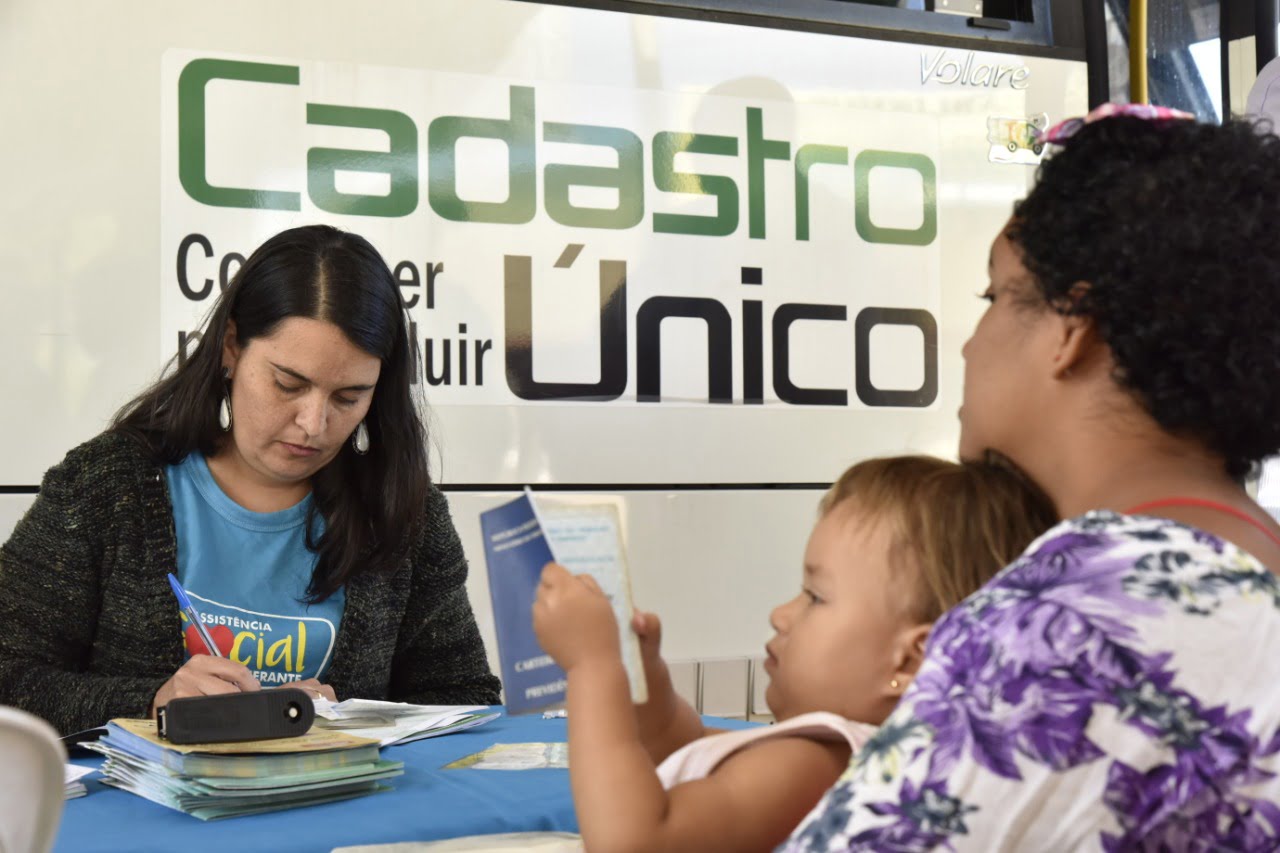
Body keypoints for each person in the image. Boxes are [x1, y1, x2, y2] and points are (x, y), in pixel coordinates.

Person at [781, 106, 1280, 850]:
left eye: (991, 296)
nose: (970, 344)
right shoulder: (1248, 568)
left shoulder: (1070, 623)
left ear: (1071, 328)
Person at [0, 224, 500, 735]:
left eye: (348, 397)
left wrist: (339, 720)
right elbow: (9, 675)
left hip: (334, 812)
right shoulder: (106, 486)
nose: (314, 423)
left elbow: (464, 699)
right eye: (288, 383)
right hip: (147, 813)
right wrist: (153, 702)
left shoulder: (402, 512)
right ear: (232, 346)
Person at [532, 454, 1057, 852]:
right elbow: (680, 746)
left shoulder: (814, 765)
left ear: (910, 660)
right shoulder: (817, 749)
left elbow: (640, 842)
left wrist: (594, 669)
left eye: (815, 597)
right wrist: (641, 678)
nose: (781, 614)